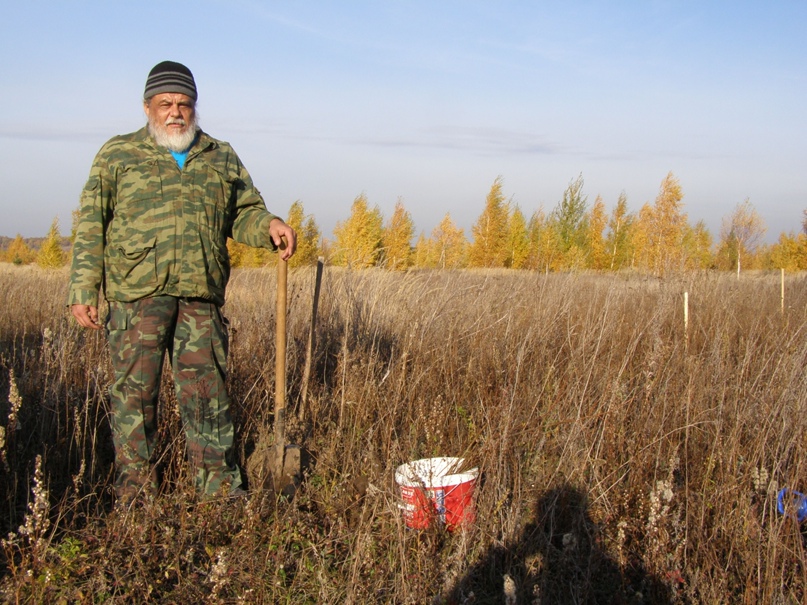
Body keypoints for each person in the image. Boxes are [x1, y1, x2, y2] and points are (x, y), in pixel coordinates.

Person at [68, 61, 296, 504]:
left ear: (195, 107)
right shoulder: (118, 154)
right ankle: (137, 499)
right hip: (135, 296)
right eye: (166, 104)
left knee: (208, 398)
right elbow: (92, 223)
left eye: (184, 104)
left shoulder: (219, 154)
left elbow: (243, 211)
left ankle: (219, 493)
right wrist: (82, 291)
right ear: (148, 107)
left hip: (200, 297)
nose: (176, 113)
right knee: (134, 400)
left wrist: (268, 224)